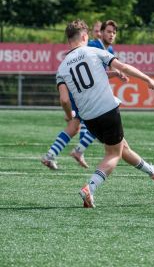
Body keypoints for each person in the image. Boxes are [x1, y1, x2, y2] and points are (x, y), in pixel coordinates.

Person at [56, 19, 154, 208]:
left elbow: (64, 100)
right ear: (84, 36)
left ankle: (151, 170)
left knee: (122, 147)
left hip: (89, 118)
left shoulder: (62, 68)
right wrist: (147, 79)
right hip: (107, 110)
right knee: (114, 154)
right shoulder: (94, 51)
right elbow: (123, 67)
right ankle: (90, 187)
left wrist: (70, 116)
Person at [41, 20, 119, 170]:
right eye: (104, 31)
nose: (110, 34)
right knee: (99, 121)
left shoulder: (109, 50)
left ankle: (52, 155)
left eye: (113, 32)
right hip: (83, 93)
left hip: (86, 92)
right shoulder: (93, 46)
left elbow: (97, 74)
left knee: (75, 126)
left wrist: (114, 73)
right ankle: (78, 150)